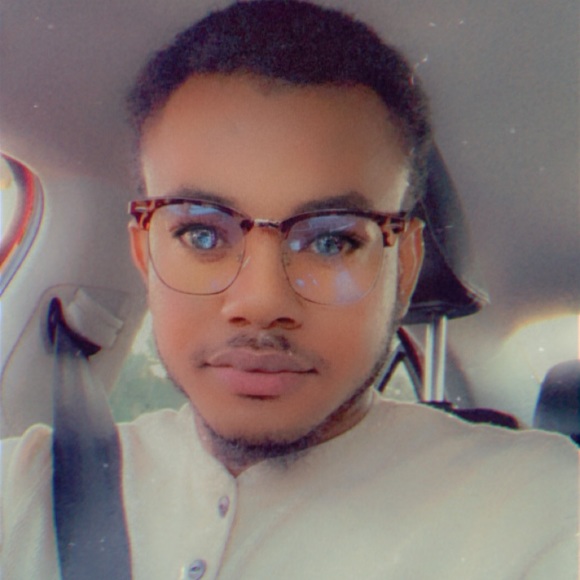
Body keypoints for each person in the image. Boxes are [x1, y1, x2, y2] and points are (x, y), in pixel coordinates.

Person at [2, 1, 577, 579]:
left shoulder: (542, 510)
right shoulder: (28, 484)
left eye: (330, 241)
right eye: (202, 234)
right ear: (144, 253)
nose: (262, 302)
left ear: (403, 268)